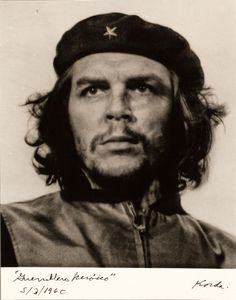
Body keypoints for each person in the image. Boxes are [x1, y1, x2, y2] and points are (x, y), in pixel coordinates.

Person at [1, 12, 236, 268]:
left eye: (142, 88)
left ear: (181, 115)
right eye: (93, 90)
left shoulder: (227, 258)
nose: (117, 109)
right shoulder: (8, 235)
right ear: (64, 114)